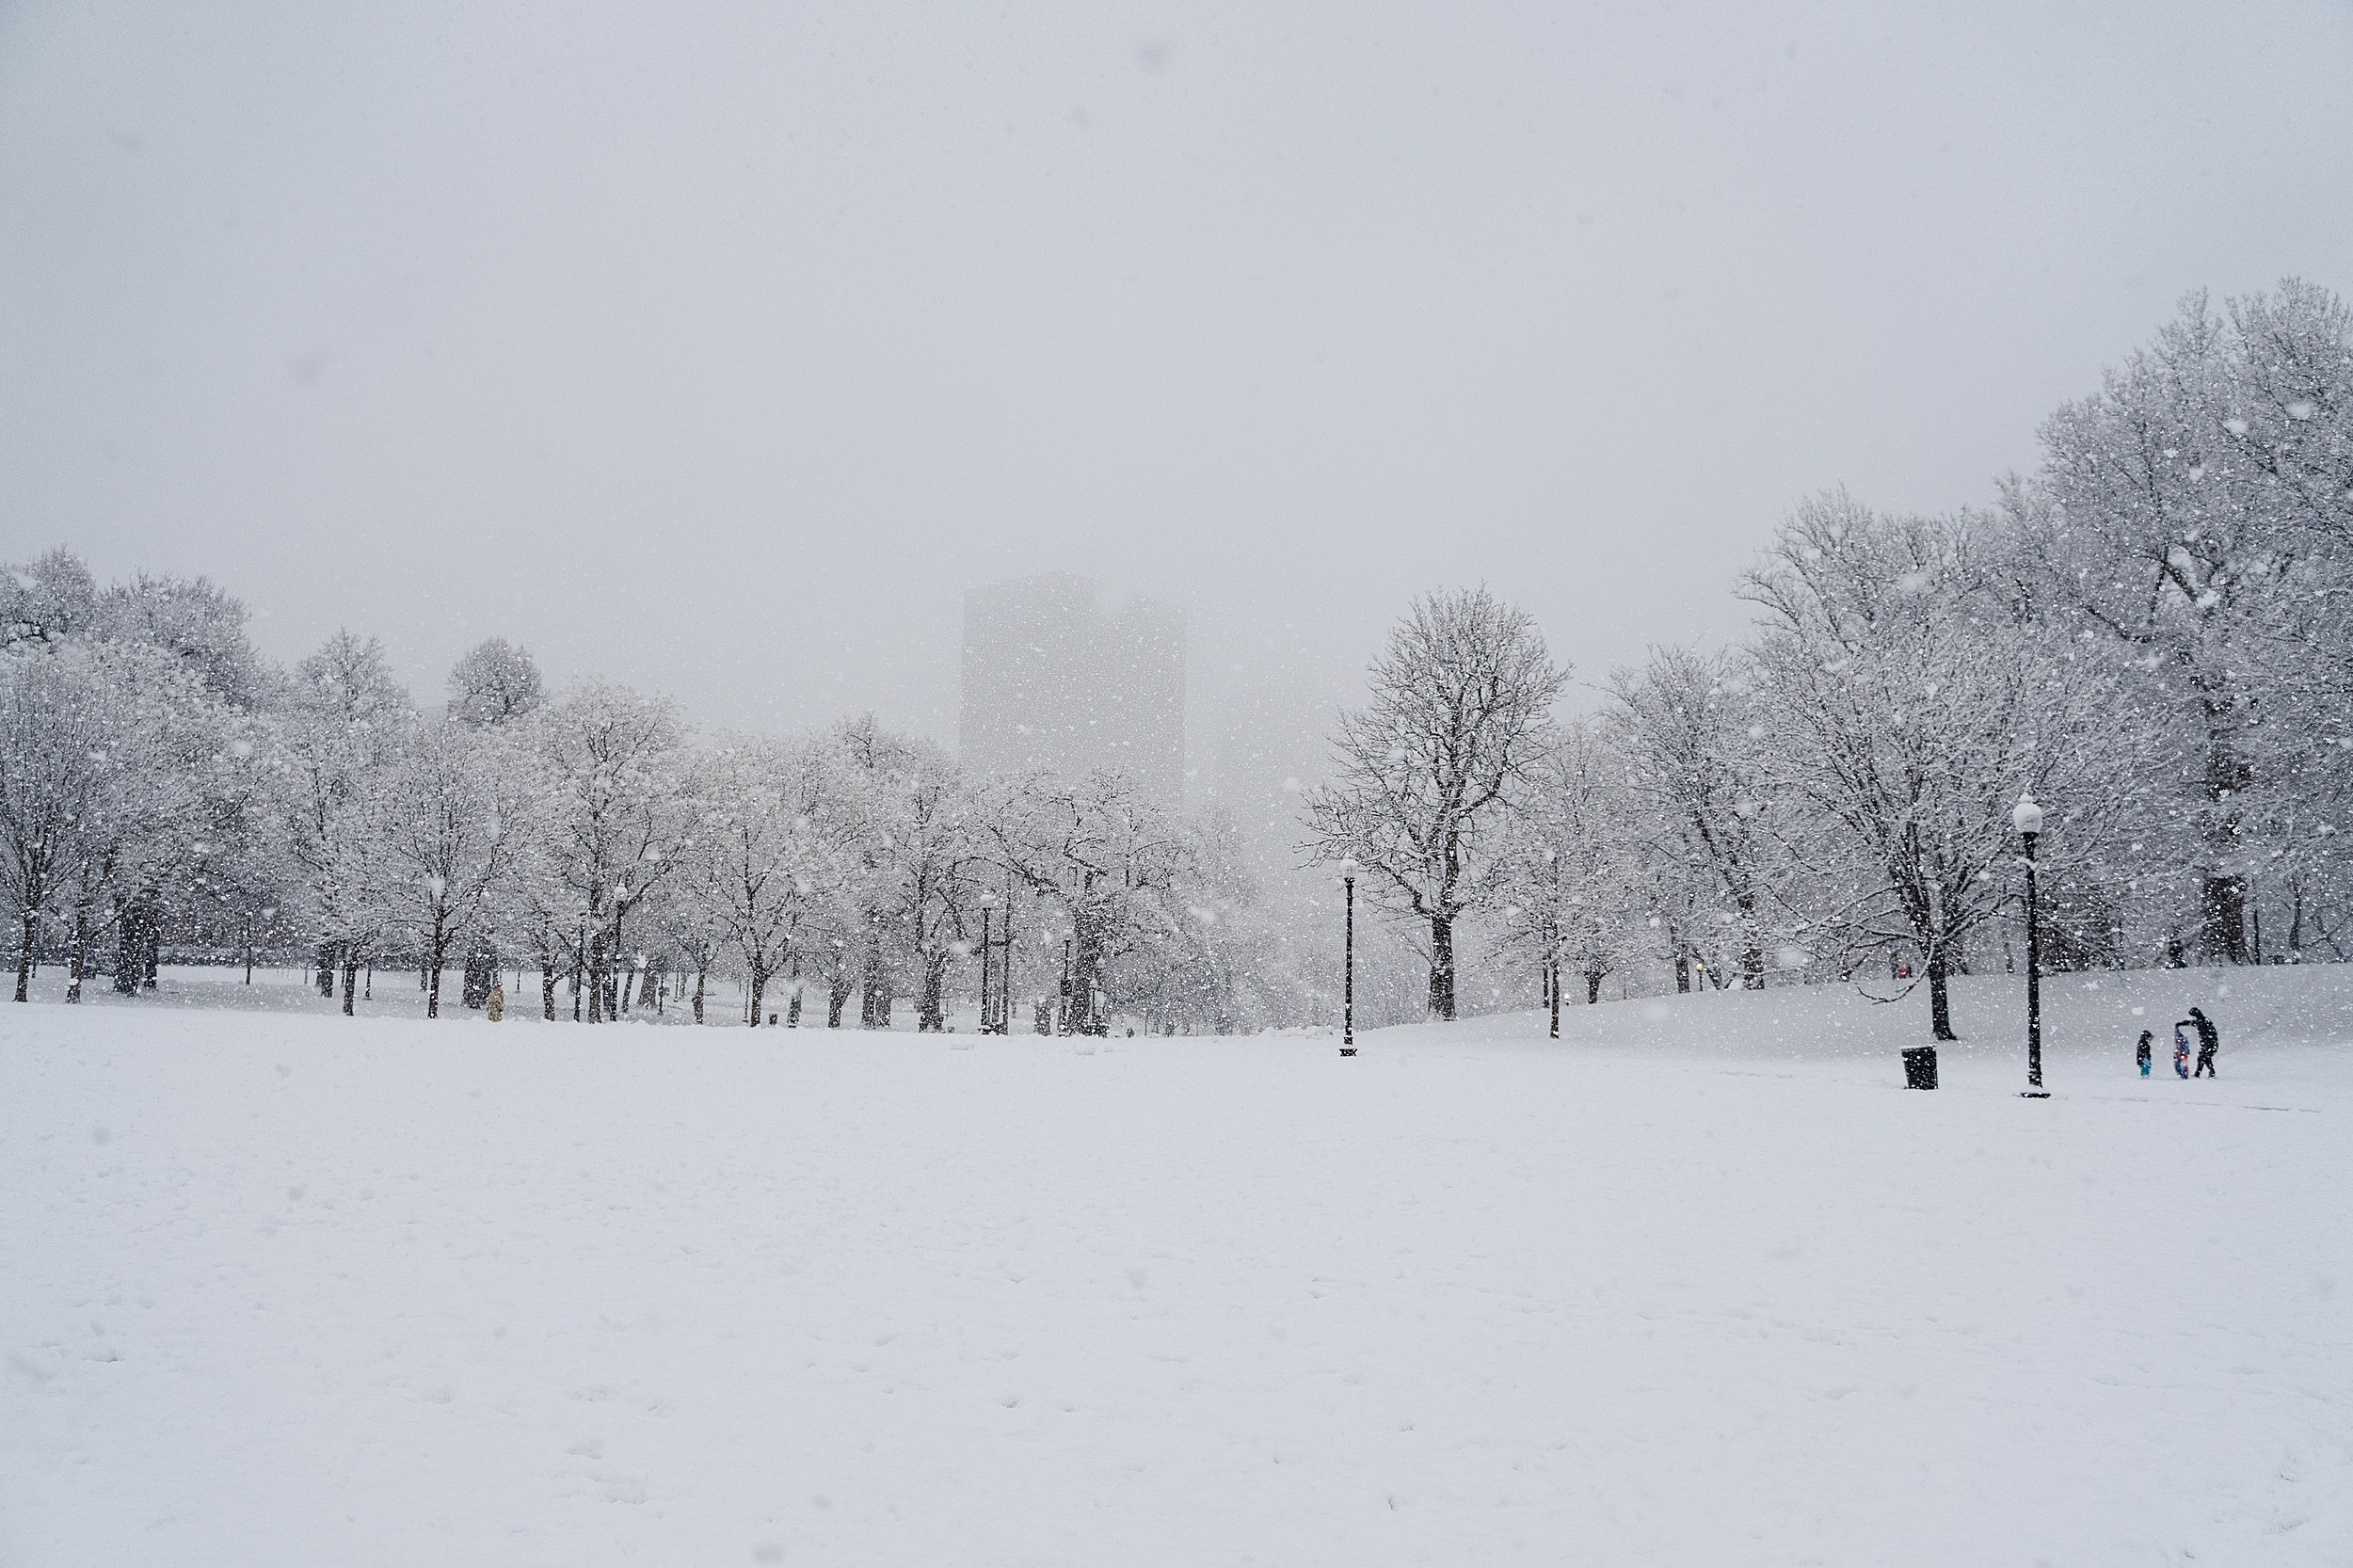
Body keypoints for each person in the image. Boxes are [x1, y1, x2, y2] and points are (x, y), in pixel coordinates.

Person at [2182, 1005, 2219, 1078]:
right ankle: (2205, 1073)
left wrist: (2183, 1023)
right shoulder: (2204, 1021)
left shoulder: (2202, 1022)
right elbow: (2195, 1023)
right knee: (2203, 1058)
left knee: (2204, 1057)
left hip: (2210, 1044)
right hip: (2209, 1044)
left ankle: (2208, 1072)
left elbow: (2196, 1023)